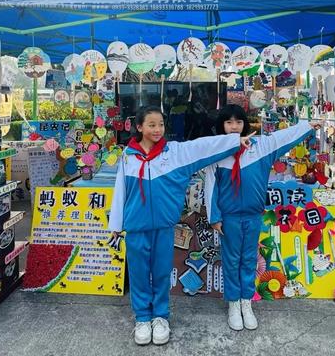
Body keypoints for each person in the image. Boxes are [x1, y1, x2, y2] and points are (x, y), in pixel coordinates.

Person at [108, 105, 254, 346]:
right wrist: (116, 224)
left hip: (164, 227)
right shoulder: (128, 156)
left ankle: (161, 317)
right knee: (139, 274)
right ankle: (143, 318)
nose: (157, 129)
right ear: (140, 127)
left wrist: (236, 141)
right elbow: (120, 191)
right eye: (152, 125)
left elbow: (203, 146)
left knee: (162, 272)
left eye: (161, 125)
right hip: (136, 227)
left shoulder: (173, 153)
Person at [204, 104, 319, 331]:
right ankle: (233, 304)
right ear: (221, 126)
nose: (234, 127)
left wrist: (306, 126)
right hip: (229, 218)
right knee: (231, 260)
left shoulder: (261, 147)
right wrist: (214, 217)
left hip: (253, 216)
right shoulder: (216, 153)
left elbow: (282, 137)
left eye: (238, 122)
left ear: (245, 123)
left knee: (249, 260)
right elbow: (210, 186)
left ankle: (247, 302)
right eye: (228, 122)